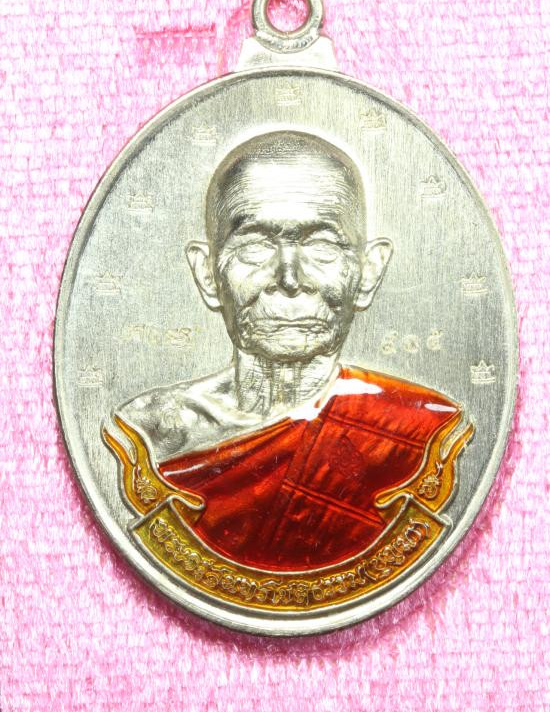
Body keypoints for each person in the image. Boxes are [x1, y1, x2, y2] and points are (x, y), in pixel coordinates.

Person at [106, 130, 468, 572]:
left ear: (369, 271)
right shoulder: (149, 436)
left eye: (322, 245)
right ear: (207, 273)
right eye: (255, 245)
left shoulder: (419, 432)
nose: (290, 278)